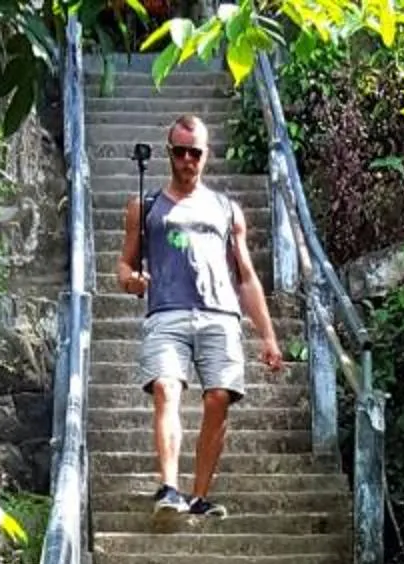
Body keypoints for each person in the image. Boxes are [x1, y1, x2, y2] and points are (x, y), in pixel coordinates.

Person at [117, 114, 285, 527]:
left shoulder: (228, 210)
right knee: (165, 388)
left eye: (196, 152)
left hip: (220, 315)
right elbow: (124, 265)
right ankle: (169, 488)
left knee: (218, 398)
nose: (188, 159)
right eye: (180, 151)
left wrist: (268, 336)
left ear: (206, 155)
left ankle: (200, 496)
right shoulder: (146, 207)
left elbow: (245, 276)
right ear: (168, 152)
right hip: (167, 312)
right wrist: (133, 282)